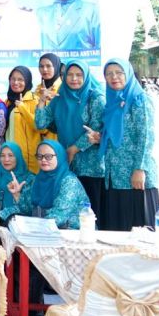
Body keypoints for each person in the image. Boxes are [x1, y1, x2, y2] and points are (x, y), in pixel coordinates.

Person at [35, 60, 105, 217]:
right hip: (68, 165)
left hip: (91, 167)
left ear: (86, 76)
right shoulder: (60, 98)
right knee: (70, 211)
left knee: (90, 213)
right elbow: (40, 124)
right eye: (70, 75)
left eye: (79, 75)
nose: (74, 79)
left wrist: (73, 149)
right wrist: (41, 101)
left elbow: (96, 129)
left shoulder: (95, 98)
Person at [98, 59, 159, 231]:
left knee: (138, 233)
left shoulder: (139, 99)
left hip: (135, 178)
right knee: (117, 231)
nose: (114, 77)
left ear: (128, 74)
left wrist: (140, 169)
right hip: (114, 177)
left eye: (119, 72)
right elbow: (115, 133)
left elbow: (147, 136)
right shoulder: (112, 102)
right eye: (109, 74)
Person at [22, 140, 89, 229]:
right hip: (45, 230)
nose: (43, 160)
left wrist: (32, 228)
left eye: (48, 156)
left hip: (74, 234)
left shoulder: (69, 182)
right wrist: (0, 213)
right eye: (39, 156)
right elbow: (26, 208)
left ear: (60, 156)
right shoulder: (37, 180)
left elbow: (58, 216)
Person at [5, 66, 53, 173]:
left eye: (20, 79)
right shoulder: (8, 102)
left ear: (27, 80)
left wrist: (23, 108)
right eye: (13, 79)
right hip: (9, 157)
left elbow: (42, 128)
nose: (16, 82)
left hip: (28, 160)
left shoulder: (34, 100)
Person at [0, 142, 33, 236]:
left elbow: (28, 209)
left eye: (11, 155)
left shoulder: (29, 179)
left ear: (18, 157)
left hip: (21, 226)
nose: (6, 159)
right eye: (2, 155)